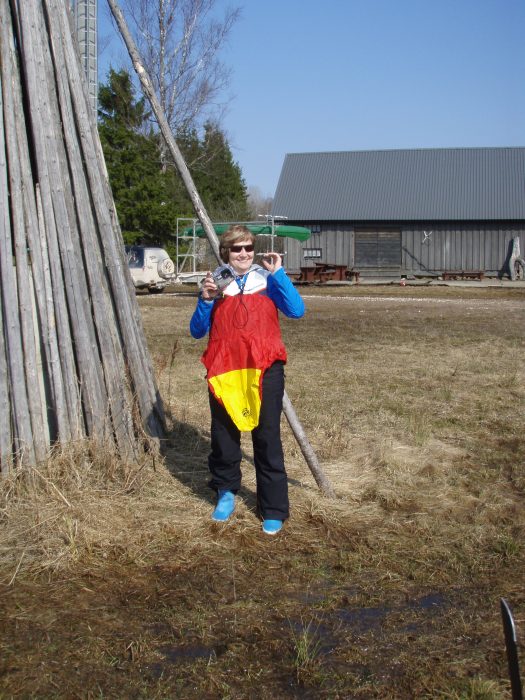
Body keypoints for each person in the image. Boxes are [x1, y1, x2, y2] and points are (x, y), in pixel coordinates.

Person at [190, 224, 305, 535]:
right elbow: (197, 331)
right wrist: (206, 299)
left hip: (264, 369)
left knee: (267, 437)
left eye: (248, 248)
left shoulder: (267, 280)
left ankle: (273, 508)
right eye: (236, 249)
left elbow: (296, 311)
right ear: (226, 252)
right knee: (224, 436)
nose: (243, 254)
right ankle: (226, 492)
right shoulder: (216, 282)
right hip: (224, 370)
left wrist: (279, 274)